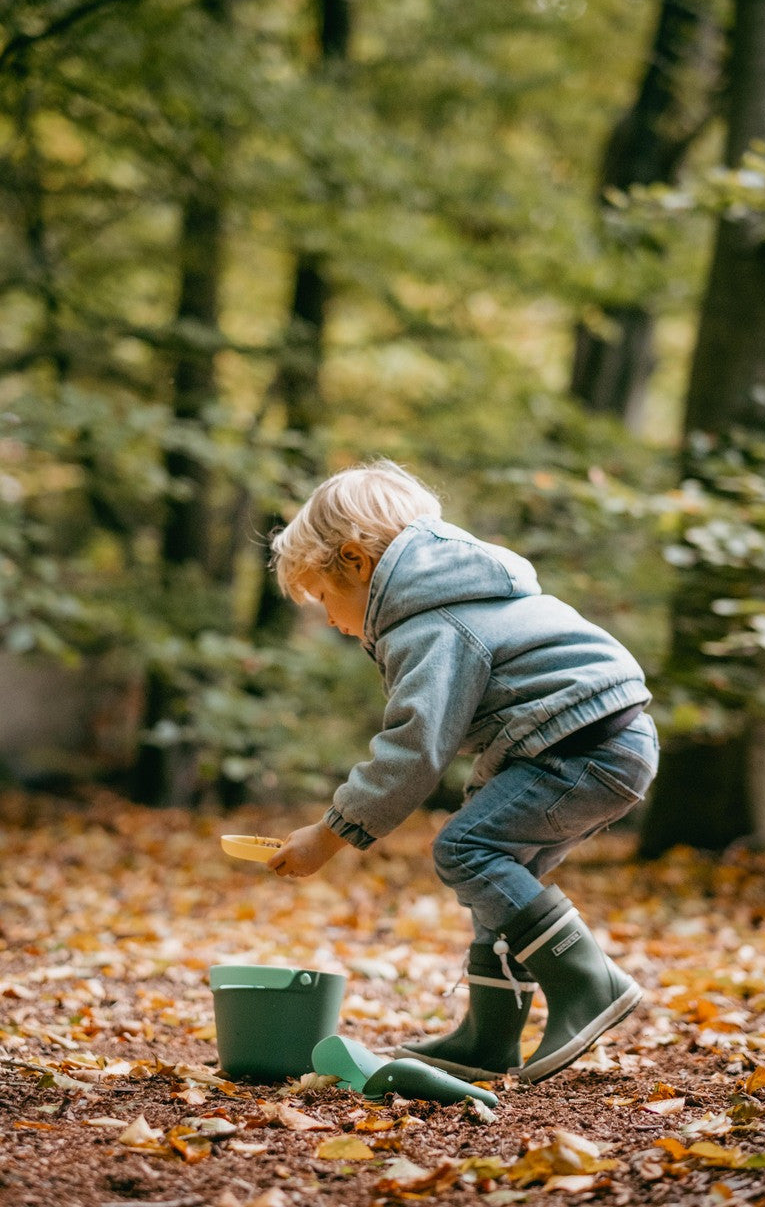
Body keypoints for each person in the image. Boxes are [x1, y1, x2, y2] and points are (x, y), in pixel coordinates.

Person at [267, 459, 659, 1083]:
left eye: (323, 596)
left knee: (465, 849)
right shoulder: (459, 598)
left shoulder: (430, 623)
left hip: (587, 746)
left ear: (357, 562)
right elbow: (507, 722)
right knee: (501, 874)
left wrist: (331, 832)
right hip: (599, 739)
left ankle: (589, 982)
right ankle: (490, 1033)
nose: (330, 619)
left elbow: (415, 748)